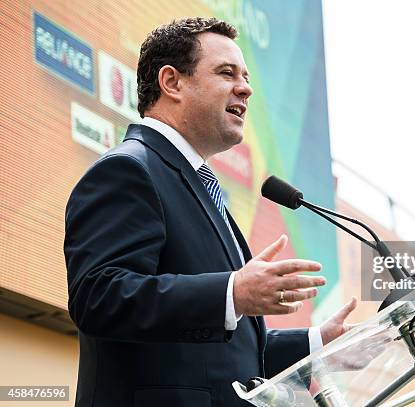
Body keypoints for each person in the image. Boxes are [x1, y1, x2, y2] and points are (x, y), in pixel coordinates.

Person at [64, 17, 357, 407]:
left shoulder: (202, 185)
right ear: (172, 83)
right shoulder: (129, 169)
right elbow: (99, 298)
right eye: (226, 73)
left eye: (246, 75)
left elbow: (227, 355)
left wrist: (318, 342)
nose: (246, 88)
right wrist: (232, 292)